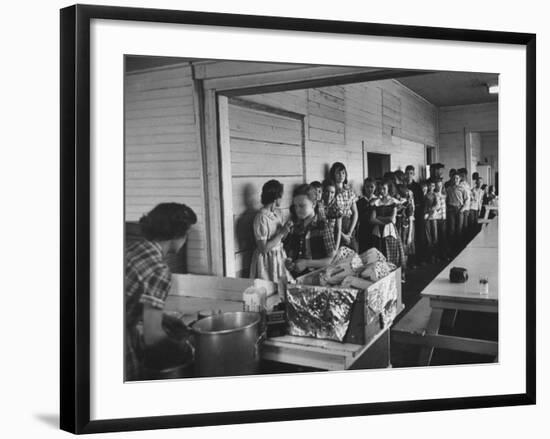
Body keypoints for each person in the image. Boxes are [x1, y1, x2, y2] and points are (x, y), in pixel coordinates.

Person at [125, 202, 197, 381]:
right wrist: (187, 350)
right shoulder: (159, 270)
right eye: (186, 233)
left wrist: (164, 318)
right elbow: (153, 337)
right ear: (176, 235)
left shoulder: (133, 250)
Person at [284, 184, 337, 278]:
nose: (297, 210)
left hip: (318, 278)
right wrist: (289, 261)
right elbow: (291, 251)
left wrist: (307, 263)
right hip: (297, 278)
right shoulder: (295, 227)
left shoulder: (323, 226)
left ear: (313, 204)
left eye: (302, 206)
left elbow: (331, 259)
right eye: (295, 206)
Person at [249, 180, 293, 284]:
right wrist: (281, 233)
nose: (282, 199)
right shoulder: (261, 218)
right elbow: (263, 248)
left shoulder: (277, 213)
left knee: (283, 286)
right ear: (275, 197)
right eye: (281, 196)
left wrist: (286, 229)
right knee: (268, 288)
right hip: (267, 261)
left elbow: (281, 239)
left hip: (278, 256)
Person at [371, 180, 406, 273]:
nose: (382, 191)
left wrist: (378, 218)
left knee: (391, 254)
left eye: (384, 188)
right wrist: (384, 220)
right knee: (379, 254)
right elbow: (371, 219)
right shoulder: (376, 202)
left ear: (389, 189)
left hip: (389, 232)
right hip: (378, 232)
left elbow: (392, 219)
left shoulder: (393, 201)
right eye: (380, 189)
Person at [329, 162, 358, 250]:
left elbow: (355, 213)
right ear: (333, 175)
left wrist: (349, 232)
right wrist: (342, 235)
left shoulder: (349, 190)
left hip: (349, 224)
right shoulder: (331, 191)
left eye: (343, 173)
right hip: (335, 226)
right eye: (338, 173)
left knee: (354, 251)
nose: (341, 175)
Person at [405, 165, 423, 267]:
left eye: (411, 173)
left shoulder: (417, 186)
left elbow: (421, 201)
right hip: (406, 215)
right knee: (407, 238)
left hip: (416, 214)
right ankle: (407, 261)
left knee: (416, 237)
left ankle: (415, 260)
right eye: (407, 173)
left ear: (414, 174)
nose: (409, 175)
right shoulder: (403, 186)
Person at [446, 173, 468, 250]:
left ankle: (459, 248)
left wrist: (462, 209)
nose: (456, 180)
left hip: (460, 209)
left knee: (459, 229)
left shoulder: (462, 188)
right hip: (451, 210)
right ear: (452, 179)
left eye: (457, 178)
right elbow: (446, 200)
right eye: (454, 178)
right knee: (451, 229)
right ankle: (452, 248)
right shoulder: (448, 189)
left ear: (459, 179)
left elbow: (467, 200)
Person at [356, 178, 378, 253]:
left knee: (374, 250)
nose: (369, 189)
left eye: (372, 187)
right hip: (363, 229)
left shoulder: (377, 200)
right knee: (363, 250)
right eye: (367, 186)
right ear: (364, 187)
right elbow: (358, 217)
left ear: (375, 187)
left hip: (375, 229)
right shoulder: (359, 201)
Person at [320, 179, 344, 249]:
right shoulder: (318, 206)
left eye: (332, 192)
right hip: (318, 240)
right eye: (327, 192)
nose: (329, 195)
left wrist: (336, 248)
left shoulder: (337, 209)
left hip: (331, 242)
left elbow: (338, 230)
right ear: (323, 192)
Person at [434, 177, 449, 260]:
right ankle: (436, 256)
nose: (439, 186)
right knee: (436, 238)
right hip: (436, 218)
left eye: (440, 185)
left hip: (444, 218)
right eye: (437, 185)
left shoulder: (444, 194)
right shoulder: (433, 194)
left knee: (443, 237)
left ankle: (443, 255)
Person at [423, 180, 439, 263]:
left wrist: (430, 211)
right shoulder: (425, 195)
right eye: (430, 185)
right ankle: (429, 257)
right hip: (426, 218)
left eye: (433, 186)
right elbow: (423, 205)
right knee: (428, 237)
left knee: (435, 237)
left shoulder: (435, 195)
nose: (431, 187)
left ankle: (435, 256)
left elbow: (437, 205)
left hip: (433, 217)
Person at [457, 168, 472, 240]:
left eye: (464, 175)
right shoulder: (459, 185)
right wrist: (462, 208)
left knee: (465, 226)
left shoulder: (467, 184)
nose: (462, 177)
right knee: (460, 227)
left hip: (467, 208)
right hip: (462, 208)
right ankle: (460, 243)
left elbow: (469, 197)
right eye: (461, 175)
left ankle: (465, 241)